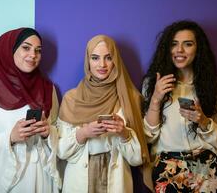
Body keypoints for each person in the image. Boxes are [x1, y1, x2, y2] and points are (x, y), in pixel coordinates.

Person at [0, 28, 61, 193]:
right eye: (26, 47)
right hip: (11, 182)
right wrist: (10, 137)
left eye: (38, 50)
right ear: (9, 50)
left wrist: (48, 132)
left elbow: (58, 131)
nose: (33, 54)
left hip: (41, 179)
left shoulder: (47, 89)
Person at [57, 35, 153, 193]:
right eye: (95, 58)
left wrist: (123, 133)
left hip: (117, 180)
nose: (102, 64)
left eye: (108, 57)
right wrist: (84, 133)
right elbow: (60, 151)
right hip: (79, 180)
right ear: (88, 61)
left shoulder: (129, 97)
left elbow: (137, 159)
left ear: (115, 60)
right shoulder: (72, 98)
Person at [142, 20, 217, 192]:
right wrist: (155, 99)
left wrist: (204, 121)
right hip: (167, 167)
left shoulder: (214, 86)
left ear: (198, 49)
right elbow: (147, 139)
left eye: (187, 44)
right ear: (167, 49)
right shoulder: (152, 84)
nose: (179, 50)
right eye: (174, 44)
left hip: (205, 167)